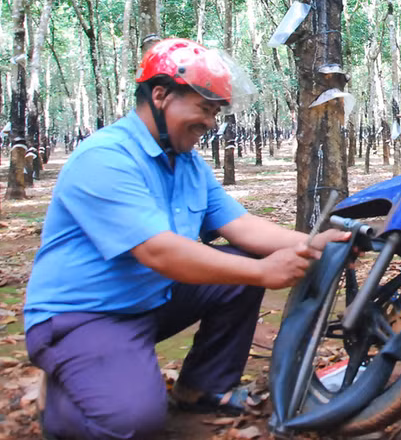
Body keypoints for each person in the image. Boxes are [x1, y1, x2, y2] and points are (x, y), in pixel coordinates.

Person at [24, 38, 349, 440]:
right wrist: (263, 271)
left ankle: (202, 387)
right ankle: (61, 396)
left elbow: (242, 227)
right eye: (203, 108)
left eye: (215, 112)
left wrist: (307, 244)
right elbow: (158, 251)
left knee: (241, 268)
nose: (210, 122)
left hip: (150, 300)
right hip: (86, 315)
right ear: (160, 95)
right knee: (133, 422)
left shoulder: (189, 164)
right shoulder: (106, 157)